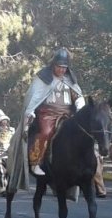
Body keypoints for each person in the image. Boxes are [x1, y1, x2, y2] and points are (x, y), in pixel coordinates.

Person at [22, 47, 85, 176]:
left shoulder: (69, 79)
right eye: (59, 67)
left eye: (64, 67)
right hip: (47, 114)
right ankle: (36, 162)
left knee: (82, 133)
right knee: (46, 133)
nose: (62, 70)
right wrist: (30, 111)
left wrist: (80, 106)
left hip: (67, 114)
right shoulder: (43, 78)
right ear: (53, 65)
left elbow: (77, 95)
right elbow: (35, 97)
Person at [0, 109, 14, 195]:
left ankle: (9, 188)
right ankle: (2, 189)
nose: (4, 122)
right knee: (0, 173)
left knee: (9, 172)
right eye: (2, 120)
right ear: (0, 122)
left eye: (5, 120)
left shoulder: (12, 130)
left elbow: (14, 142)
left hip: (9, 154)